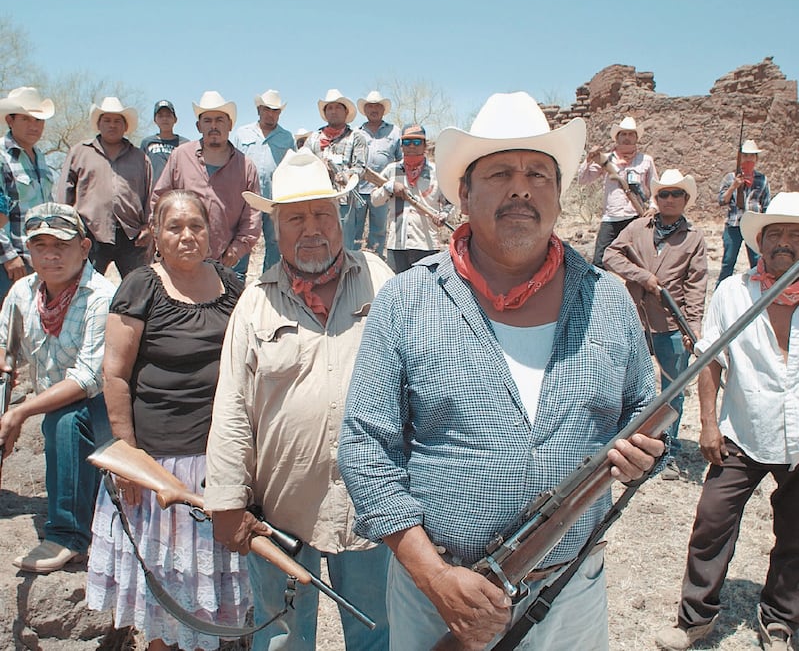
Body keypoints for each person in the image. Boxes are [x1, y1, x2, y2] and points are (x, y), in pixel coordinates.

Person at [338, 92, 665, 650]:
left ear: (559, 196)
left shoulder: (608, 300)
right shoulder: (407, 300)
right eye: (500, 173)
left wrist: (646, 456)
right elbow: (366, 448)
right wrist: (435, 577)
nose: (521, 187)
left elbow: (649, 411)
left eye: (539, 173)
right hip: (439, 602)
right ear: (463, 194)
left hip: (572, 592)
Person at [204, 147, 394, 650]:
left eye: (321, 214)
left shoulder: (382, 280)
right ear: (275, 229)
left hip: (374, 506)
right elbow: (232, 409)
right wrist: (225, 500)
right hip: (280, 508)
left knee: (379, 629)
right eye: (294, 218)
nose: (311, 228)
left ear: (341, 218)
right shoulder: (253, 303)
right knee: (281, 635)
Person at [86, 190, 248, 651]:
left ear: (210, 232)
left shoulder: (231, 285)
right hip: (158, 467)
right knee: (166, 599)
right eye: (174, 227)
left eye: (196, 225)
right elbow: (114, 376)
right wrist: (127, 458)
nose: (186, 236)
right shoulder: (140, 286)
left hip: (218, 461)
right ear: (155, 234)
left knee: (210, 596)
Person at [655, 192, 799, 651]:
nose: (782, 243)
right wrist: (708, 424)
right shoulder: (734, 293)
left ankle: (779, 619)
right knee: (713, 521)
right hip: (743, 430)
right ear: (758, 241)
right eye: (773, 234)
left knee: (796, 534)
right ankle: (695, 618)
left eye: (794, 235)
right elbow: (710, 360)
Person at [0, 202, 114, 573]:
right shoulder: (22, 292)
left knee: (64, 421)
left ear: (83, 248)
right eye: (40, 246)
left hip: (104, 410)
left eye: (61, 245)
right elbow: (6, 344)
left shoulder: (100, 296)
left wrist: (21, 411)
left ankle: (68, 536)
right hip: (53, 401)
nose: (50, 256)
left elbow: (87, 379)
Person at [603, 169, 708, 480]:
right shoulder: (637, 227)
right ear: (656, 198)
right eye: (664, 194)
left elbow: (696, 284)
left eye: (677, 194)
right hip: (634, 319)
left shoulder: (695, 237)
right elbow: (611, 255)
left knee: (673, 389)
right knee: (623, 384)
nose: (670, 199)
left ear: (686, 199)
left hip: (670, 323)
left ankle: (668, 450)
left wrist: (694, 323)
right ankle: (622, 446)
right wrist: (642, 277)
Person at [152, 91, 261, 282]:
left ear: (230, 125)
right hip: (181, 258)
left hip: (228, 263)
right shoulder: (180, 157)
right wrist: (160, 241)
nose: (214, 126)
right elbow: (159, 201)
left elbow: (252, 215)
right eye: (207, 120)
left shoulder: (246, 166)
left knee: (228, 311)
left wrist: (237, 249)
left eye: (219, 120)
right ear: (198, 126)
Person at [57, 96, 152, 277]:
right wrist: (65, 226)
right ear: (99, 124)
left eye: (117, 121)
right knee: (83, 284)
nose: (112, 125)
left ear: (125, 126)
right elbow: (64, 192)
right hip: (89, 232)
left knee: (139, 288)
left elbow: (150, 194)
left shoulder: (140, 158)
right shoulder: (80, 152)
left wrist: (148, 227)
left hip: (132, 235)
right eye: (107, 120)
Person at [577, 116, 658, 268]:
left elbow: (655, 187)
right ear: (617, 137)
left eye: (631, 134)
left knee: (640, 263)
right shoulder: (605, 159)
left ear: (636, 138)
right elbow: (583, 179)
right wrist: (589, 160)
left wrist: (653, 208)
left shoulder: (646, 160)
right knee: (599, 263)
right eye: (623, 134)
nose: (627, 138)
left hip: (636, 217)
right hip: (611, 218)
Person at [370, 124, 451, 273]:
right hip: (397, 245)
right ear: (401, 145)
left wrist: (444, 215)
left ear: (425, 145)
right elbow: (375, 200)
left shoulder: (437, 172)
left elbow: (449, 202)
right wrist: (389, 188)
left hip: (426, 244)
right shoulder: (391, 170)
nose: (411, 146)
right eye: (407, 142)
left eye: (417, 142)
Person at [0, 87, 56, 301]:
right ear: (10, 120)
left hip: (37, 257)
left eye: (39, 120)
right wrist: (7, 256)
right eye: (26, 119)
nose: (34, 126)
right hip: (10, 261)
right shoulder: (2, 156)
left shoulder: (40, 157)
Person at [232, 89, 295, 271]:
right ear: (259, 109)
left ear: (280, 113)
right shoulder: (242, 134)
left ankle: (271, 282)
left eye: (275, 110)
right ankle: (237, 284)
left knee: (275, 244)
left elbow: (290, 168)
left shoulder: (286, 137)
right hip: (245, 200)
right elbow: (231, 163)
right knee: (242, 241)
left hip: (274, 201)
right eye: (267, 109)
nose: (271, 114)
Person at [304, 89, 368, 249]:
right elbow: (302, 163)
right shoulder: (313, 138)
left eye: (337, 107)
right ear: (325, 113)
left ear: (346, 112)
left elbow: (361, 167)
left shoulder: (356, 137)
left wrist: (346, 175)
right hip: (316, 201)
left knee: (344, 247)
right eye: (329, 108)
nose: (333, 111)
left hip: (344, 202)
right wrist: (319, 166)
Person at [716, 139, 771, 286]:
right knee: (728, 262)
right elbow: (722, 200)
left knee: (757, 262)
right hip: (734, 225)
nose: (748, 159)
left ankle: (759, 294)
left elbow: (766, 205)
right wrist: (734, 186)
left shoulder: (762, 179)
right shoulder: (730, 178)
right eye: (745, 155)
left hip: (754, 226)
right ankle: (719, 293)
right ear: (739, 157)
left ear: (756, 159)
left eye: (752, 156)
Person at [355, 90, 402, 255]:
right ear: (365, 110)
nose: (374, 109)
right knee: (354, 232)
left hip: (383, 190)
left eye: (377, 106)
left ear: (383, 110)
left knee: (379, 231)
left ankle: (376, 264)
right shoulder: (356, 132)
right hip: (357, 191)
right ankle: (353, 265)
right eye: (370, 106)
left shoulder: (395, 132)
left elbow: (400, 161)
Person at [139, 100, 188, 183]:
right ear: (155, 120)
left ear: (175, 119)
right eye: (160, 116)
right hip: (153, 193)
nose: (164, 119)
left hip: (176, 193)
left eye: (168, 116)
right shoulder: (147, 142)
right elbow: (141, 170)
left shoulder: (185, 144)